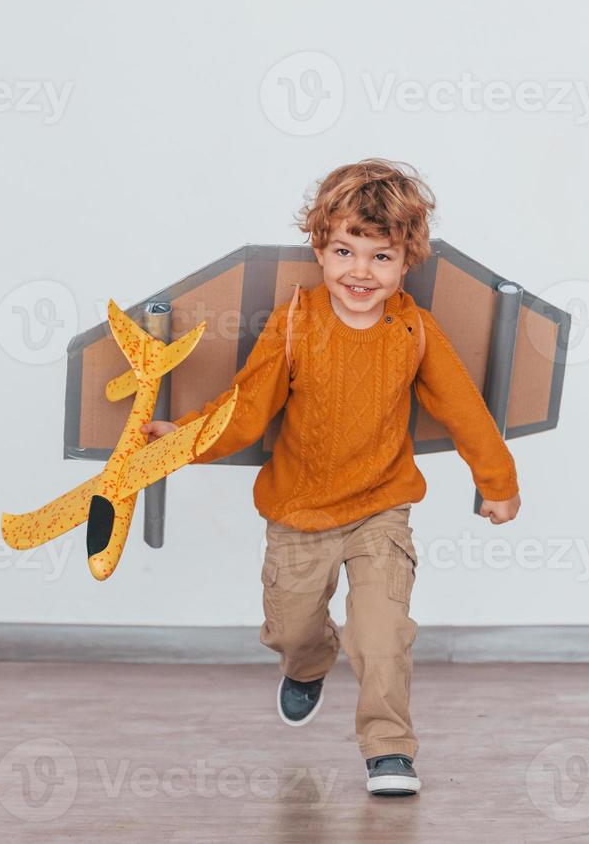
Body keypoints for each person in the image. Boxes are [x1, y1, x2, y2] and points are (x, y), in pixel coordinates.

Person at [143, 158, 521, 797]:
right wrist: (182, 441)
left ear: (407, 265)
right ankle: (310, 661)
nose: (360, 272)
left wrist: (499, 481)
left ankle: (389, 749)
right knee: (291, 627)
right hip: (298, 512)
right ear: (319, 248)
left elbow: (465, 410)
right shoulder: (296, 323)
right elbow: (247, 406)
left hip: (381, 510)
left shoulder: (415, 332)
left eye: (381, 257)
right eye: (345, 250)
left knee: (382, 633)